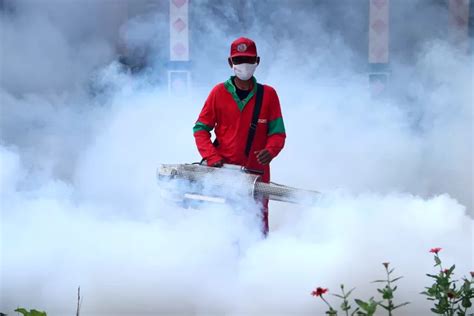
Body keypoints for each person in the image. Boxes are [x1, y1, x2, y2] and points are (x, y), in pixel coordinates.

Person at [193, 37, 286, 236]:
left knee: (258, 225)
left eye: (249, 59)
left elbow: (278, 133)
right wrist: (212, 157)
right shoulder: (218, 93)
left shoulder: (268, 95)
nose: (244, 64)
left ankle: (258, 264)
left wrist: (270, 151)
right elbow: (200, 129)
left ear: (257, 61)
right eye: (239, 59)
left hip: (257, 175)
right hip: (223, 174)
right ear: (230, 63)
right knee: (224, 225)